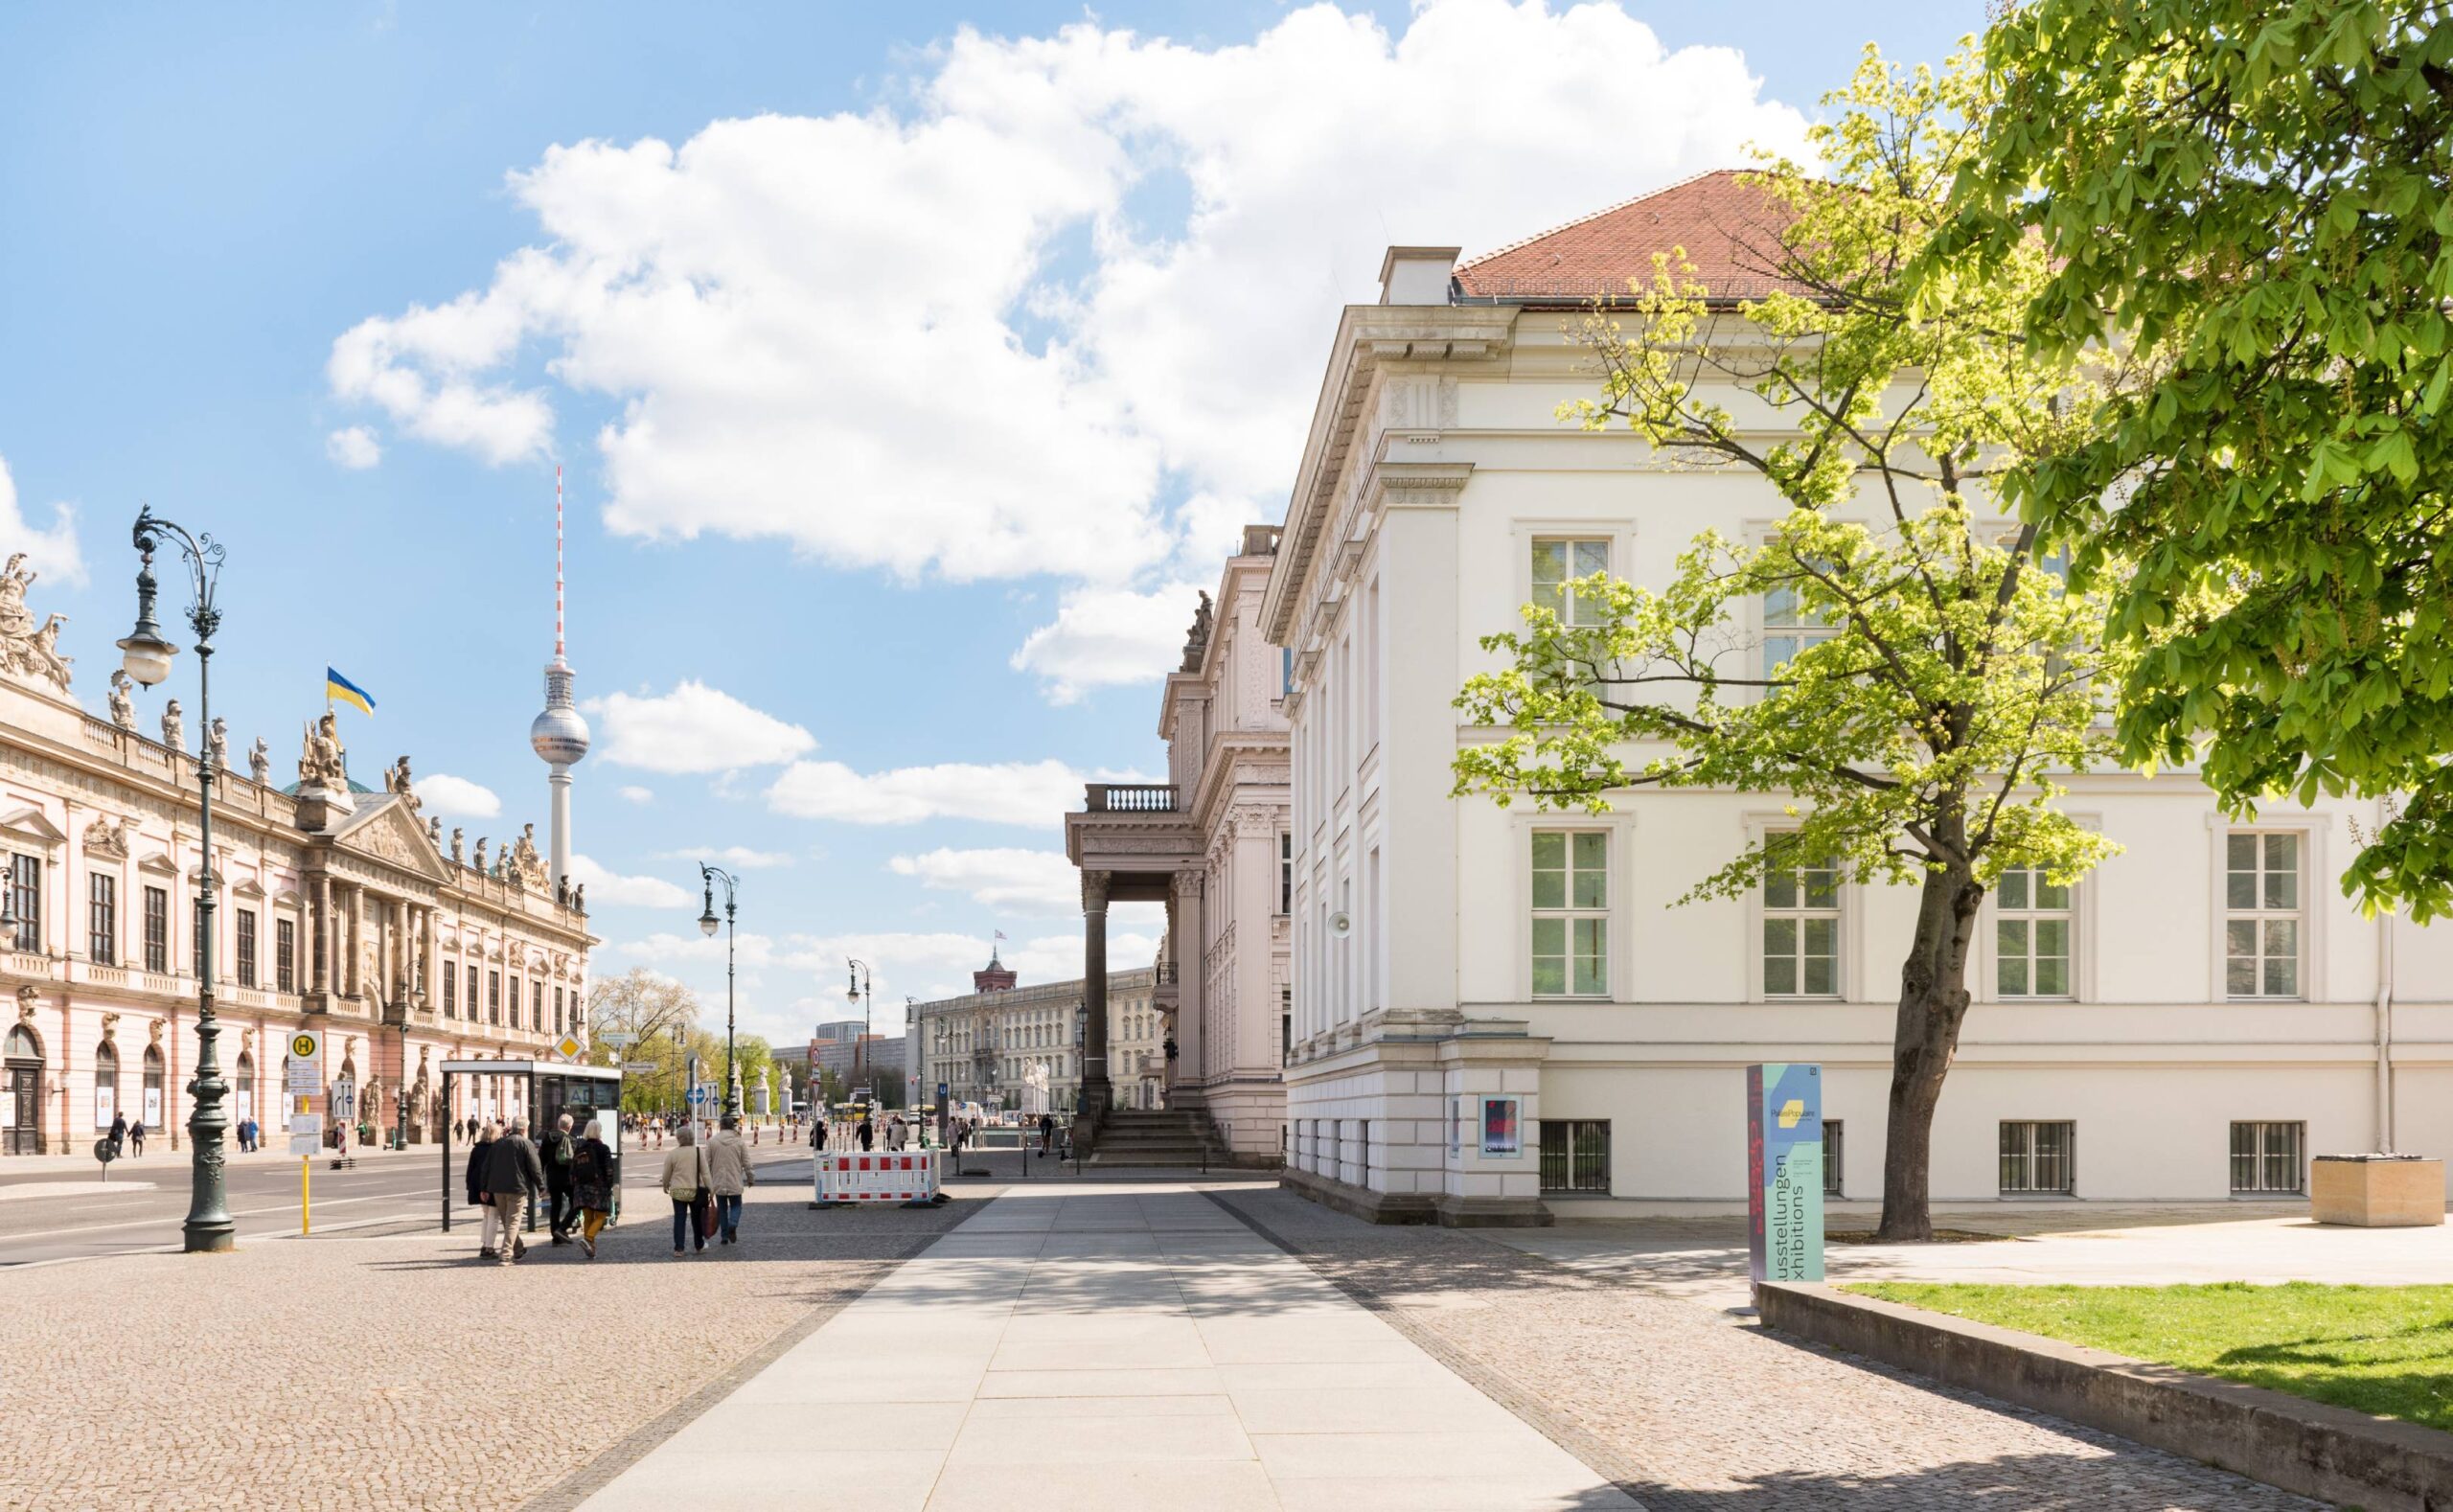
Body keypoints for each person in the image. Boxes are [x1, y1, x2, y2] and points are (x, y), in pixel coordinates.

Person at [483, 1117, 546, 1266]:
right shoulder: (526, 1143)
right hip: (517, 1188)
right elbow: (535, 1167)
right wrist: (541, 1186)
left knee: (507, 1221)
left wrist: (484, 1187)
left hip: (498, 1188)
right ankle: (506, 1255)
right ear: (524, 1129)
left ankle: (518, 1249)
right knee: (512, 1222)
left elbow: (487, 1166)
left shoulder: (498, 1143)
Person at [659, 1123, 710, 1258]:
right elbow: (705, 1173)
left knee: (679, 1219)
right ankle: (699, 1245)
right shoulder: (698, 1152)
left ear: (678, 1138)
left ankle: (679, 1248)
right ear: (692, 1138)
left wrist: (665, 1185)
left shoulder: (673, 1154)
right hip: (695, 1191)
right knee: (696, 1219)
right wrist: (711, 1188)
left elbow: (666, 1173)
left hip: (678, 1191)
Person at [571, 1119, 616, 1260]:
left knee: (588, 1217)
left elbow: (573, 1169)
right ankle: (588, 1238)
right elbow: (609, 1170)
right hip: (598, 1188)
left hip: (582, 1188)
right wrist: (609, 1185)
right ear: (599, 1132)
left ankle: (590, 1249)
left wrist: (575, 1185)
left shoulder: (579, 1148)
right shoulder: (603, 1148)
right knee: (601, 1216)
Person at [707, 1114, 752, 1247]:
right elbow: (747, 1162)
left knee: (722, 1209)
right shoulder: (739, 1141)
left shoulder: (712, 1141)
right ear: (733, 1126)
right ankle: (733, 1223)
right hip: (735, 1180)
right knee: (736, 1205)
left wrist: (706, 1182)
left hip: (718, 1181)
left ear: (720, 1126)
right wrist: (750, 1178)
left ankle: (724, 1236)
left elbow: (706, 1163)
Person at [539, 1112, 578, 1244]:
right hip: (568, 1178)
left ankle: (556, 1237)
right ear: (570, 1127)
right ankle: (562, 1228)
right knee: (576, 1203)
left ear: (558, 1124)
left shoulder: (547, 1139)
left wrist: (541, 1180)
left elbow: (541, 1160)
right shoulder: (572, 1140)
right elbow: (575, 1162)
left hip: (552, 1178)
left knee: (555, 1205)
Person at [466, 1122, 499, 1260]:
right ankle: (489, 1248)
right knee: (493, 1216)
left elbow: (470, 1169)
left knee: (486, 1215)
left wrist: (470, 1186)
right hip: (491, 1186)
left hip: (478, 1186)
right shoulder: (496, 1149)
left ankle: (484, 1244)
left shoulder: (477, 1149)